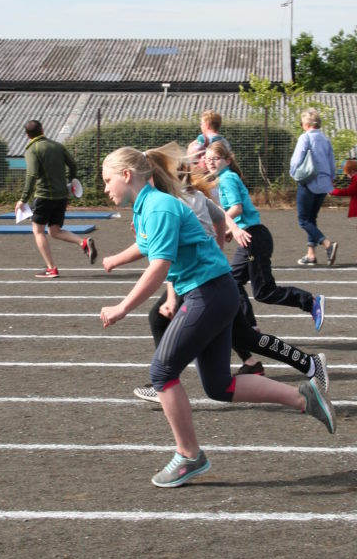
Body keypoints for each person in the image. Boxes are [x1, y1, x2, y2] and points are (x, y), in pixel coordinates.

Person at [99, 147, 336, 488]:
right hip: (212, 292)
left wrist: (122, 307)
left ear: (126, 176)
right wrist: (115, 260)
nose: (106, 188)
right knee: (219, 387)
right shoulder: (146, 207)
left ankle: (189, 456)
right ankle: (305, 397)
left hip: (208, 293)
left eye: (108, 180)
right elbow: (150, 246)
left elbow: (159, 265)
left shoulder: (159, 206)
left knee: (162, 372)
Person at [131, 144, 328, 402]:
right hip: (210, 280)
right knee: (245, 337)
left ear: (152, 177)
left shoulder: (172, 203)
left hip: (203, 283)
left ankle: (163, 384)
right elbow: (218, 219)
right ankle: (307, 363)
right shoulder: (180, 198)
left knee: (158, 318)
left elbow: (169, 256)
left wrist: (170, 295)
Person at [205, 140, 326, 331]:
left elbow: (237, 208)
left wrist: (223, 223)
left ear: (227, 160)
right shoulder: (226, 178)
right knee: (232, 281)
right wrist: (231, 229)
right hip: (250, 237)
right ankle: (249, 325)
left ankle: (310, 302)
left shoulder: (227, 179)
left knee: (264, 291)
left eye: (215, 158)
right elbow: (237, 212)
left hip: (254, 239)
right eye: (207, 159)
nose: (210, 162)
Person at [15, 119, 97, 278]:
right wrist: (71, 181)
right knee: (55, 230)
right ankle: (83, 242)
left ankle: (51, 268)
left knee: (38, 231)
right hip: (61, 196)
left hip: (44, 196)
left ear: (27, 135)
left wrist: (23, 198)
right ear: (43, 129)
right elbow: (73, 164)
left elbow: (31, 175)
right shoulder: (57, 146)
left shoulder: (32, 149)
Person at [290, 108, 338, 266]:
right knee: (312, 219)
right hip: (324, 184)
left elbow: (297, 159)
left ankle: (327, 244)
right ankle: (311, 255)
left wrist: (293, 173)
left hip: (309, 181)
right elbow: (332, 163)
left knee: (303, 220)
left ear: (306, 123)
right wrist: (332, 179)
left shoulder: (305, 138)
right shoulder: (326, 139)